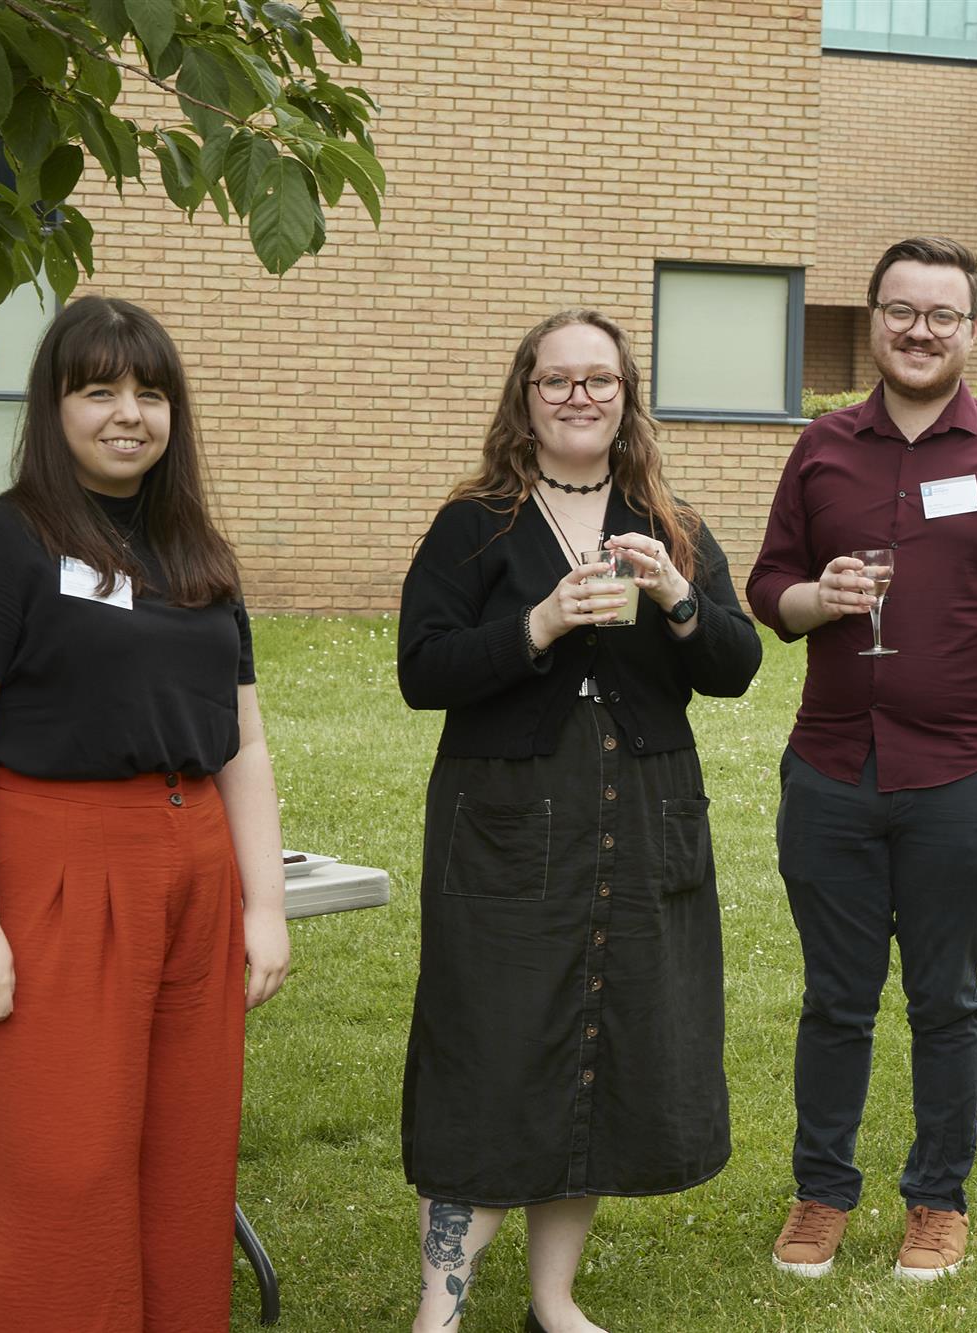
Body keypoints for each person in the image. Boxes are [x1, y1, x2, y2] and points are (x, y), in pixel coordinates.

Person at [0, 295, 289, 1331]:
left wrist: (264, 904)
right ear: (55, 404)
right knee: (60, 1169)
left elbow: (243, 742)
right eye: (100, 389)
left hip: (195, 871)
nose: (130, 413)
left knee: (184, 1164)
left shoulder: (196, 551)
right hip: (56, 869)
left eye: (151, 391)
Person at [397, 308, 761, 1333]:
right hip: (508, 818)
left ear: (624, 396)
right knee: (492, 1050)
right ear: (524, 396)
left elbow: (734, 667)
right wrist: (540, 623)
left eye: (598, 380)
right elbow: (422, 669)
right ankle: (443, 1303)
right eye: (556, 381)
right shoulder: (477, 524)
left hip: (640, 814)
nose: (578, 397)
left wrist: (681, 597)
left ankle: (553, 1298)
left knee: (601, 1041)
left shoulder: (665, 518)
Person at [746, 236, 977, 1281]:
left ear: (971, 330)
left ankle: (937, 1198)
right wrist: (816, 599)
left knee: (946, 997)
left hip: (961, 780)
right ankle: (820, 1193)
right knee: (834, 997)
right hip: (832, 771)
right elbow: (769, 591)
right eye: (900, 310)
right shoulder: (823, 447)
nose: (919, 330)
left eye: (941, 314)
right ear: (875, 318)